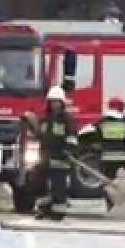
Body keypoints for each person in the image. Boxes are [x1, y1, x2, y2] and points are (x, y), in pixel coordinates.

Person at [37, 85, 76, 221]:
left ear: (62, 103)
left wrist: (68, 150)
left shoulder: (66, 119)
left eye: (57, 101)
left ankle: (58, 213)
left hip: (61, 160)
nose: (54, 104)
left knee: (59, 187)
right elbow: (42, 136)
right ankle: (46, 208)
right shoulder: (46, 118)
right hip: (47, 159)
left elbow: (72, 137)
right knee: (46, 186)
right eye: (52, 101)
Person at [93, 96, 125, 200]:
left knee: (107, 181)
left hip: (107, 158)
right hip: (123, 158)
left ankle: (109, 202)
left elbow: (96, 138)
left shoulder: (101, 122)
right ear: (121, 109)